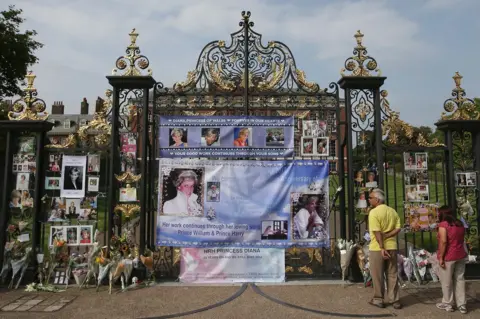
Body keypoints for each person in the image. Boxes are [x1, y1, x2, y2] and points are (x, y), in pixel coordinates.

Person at [367, 188, 402, 309]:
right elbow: (398, 228)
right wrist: (388, 235)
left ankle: (378, 298)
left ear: (377, 199)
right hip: (392, 246)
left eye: (370, 198)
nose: (369, 199)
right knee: (392, 273)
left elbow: (377, 232)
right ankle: (394, 299)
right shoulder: (392, 211)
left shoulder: (374, 213)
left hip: (377, 248)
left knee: (377, 274)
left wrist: (382, 247)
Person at [436, 206, 468, 313]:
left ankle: (448, 303)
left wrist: (441, 257)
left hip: (449, 255)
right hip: (461, 254)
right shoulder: (460, 223)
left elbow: (444, 242)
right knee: (460, 279)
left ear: (442, 214)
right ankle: (462, 304)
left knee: (446, 281)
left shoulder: (443, 225)